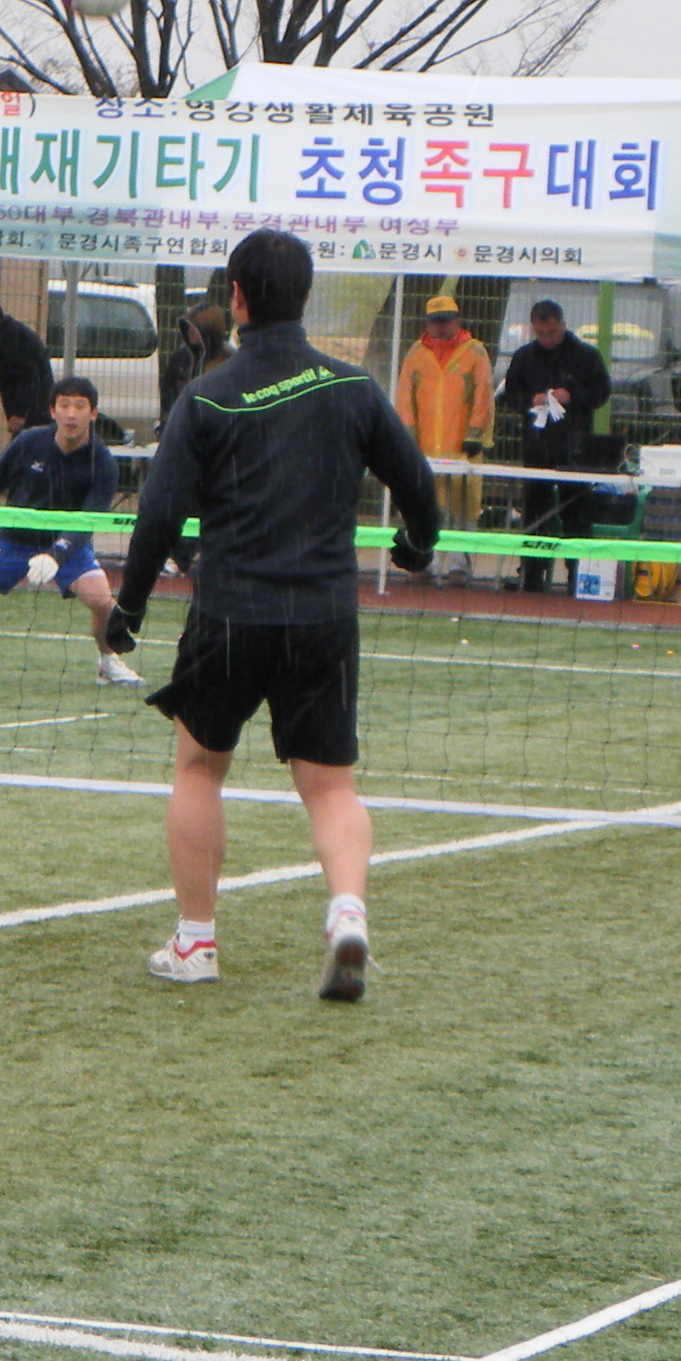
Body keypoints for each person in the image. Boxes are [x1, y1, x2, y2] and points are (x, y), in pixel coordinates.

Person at [101, 226, 442, 997]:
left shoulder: (207, 395)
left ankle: (196, 943)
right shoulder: (352, 388)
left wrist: (130, 607)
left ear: (237, 298)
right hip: (323, 616)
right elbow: (419, 488)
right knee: (332, 787)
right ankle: (347, 913)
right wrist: (416, 548)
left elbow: (158, 514)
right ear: (306, 295)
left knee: (199, 767)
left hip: (230, 613)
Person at [0, 377, 142, 689]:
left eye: (80, 407)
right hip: (13, 540)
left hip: (68, 545)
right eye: (64, 405)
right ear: (52, 411)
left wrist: (56, 555)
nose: (71, 414)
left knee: (102, 602)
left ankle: (108, 662)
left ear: (93, 414)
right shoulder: (29, 442)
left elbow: (88, 521)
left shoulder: (103, 462)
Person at [497, 299, 611, 594]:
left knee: (577, 514)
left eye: (551, 332)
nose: (546, 338)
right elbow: (510, 395)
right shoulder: (524, 357)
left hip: (575, 448)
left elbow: (602, 391)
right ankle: (532, 574)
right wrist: (530, 401)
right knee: (535, 512)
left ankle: (579, 575)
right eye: (540, 333)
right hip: (537, 447)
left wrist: (573, 396)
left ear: (562, 324)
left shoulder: (586, 356)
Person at [394, 291, 492, 582]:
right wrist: (407, 436)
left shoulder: (475, 352)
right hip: (424, 448)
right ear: (427, 322)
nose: (441, 326)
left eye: (446, 320)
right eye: (435, 320)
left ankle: (458, 566)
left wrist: (475, 434)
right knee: (425, 506)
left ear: (457, 320)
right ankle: (423, 561)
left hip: (462, 448)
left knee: (464, 508)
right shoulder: (415, 354)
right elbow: (404, 398)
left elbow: (484, 395)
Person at [0, 294, 55, 432]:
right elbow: (10, 378)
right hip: (36, 413)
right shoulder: (9, 333)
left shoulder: (9, 338)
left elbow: (26, 377)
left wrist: (20, 414)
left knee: (28, 445)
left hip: (34, 416)